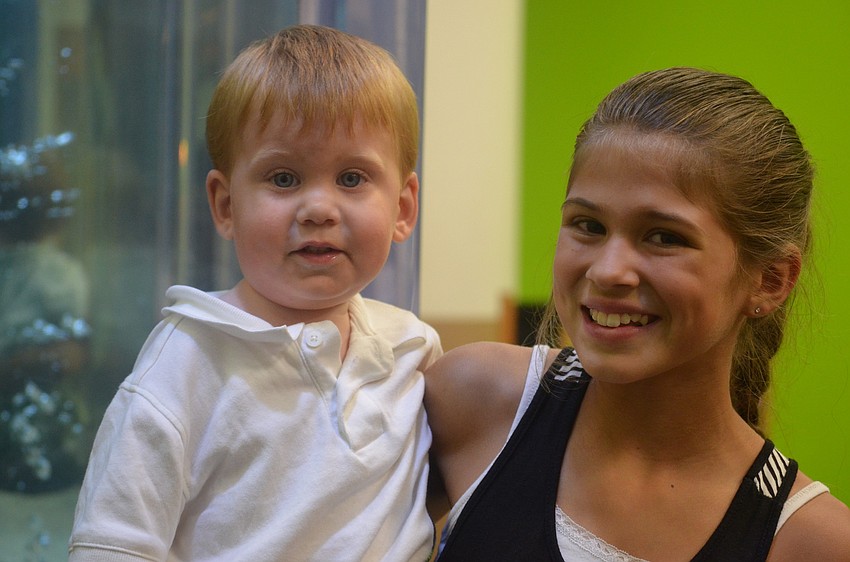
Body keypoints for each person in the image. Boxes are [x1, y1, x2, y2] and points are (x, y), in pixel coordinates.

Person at [425, 67, 850, 561]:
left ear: (770, 280)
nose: (608, 271)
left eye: (665, 237)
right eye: (588, 225)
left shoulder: (812, 540)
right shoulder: (476, 404)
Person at [69, 25, 441, 561]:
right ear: (225, 205)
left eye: (353, 178)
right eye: (284, 178)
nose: (319, 208)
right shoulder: (186, 361)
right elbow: (113, 546)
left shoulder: (414, 351)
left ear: (403, 208)